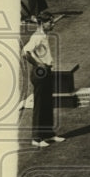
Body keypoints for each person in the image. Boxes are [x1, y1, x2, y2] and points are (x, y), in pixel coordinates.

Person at [22, 13, 66, 148]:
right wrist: (38, 65)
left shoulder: (43, 34)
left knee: (47, 103)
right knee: (40, 105)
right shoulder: (37, 36)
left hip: (47, 71)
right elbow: (25, 52)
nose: (53, 25)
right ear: (43, 23)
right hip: (40, 73)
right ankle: (36, 138)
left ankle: (48, 134)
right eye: (51, 23)